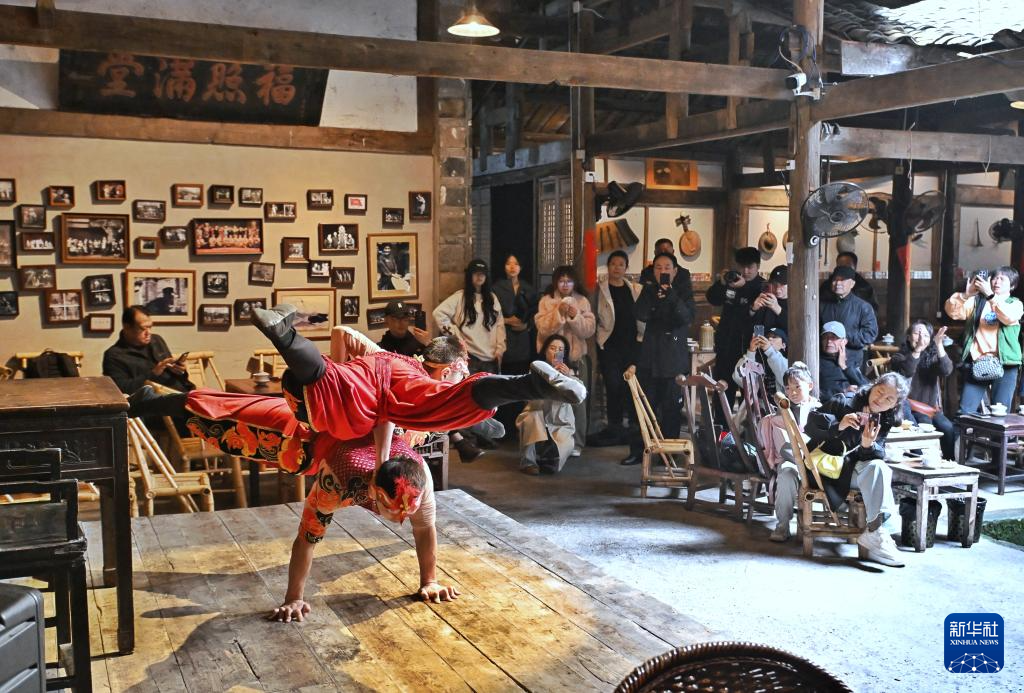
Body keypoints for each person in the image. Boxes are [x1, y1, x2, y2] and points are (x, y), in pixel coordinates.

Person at [802, 373, 910, 567]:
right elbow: (809, 426)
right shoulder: (844, 401)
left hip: (851, 472)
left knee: (879, 467)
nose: (881, 400)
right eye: (880, 391)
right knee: (879, 472)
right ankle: (878, 534)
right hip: (825, 472)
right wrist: (839, 425)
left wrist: (868, 446)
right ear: (872, 387)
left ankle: (875, 532)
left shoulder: (884, 419)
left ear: (894, 405)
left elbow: (877, 454)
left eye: (889, 399)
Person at [623, 252, 696, 466]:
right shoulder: (649, 290)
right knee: (644, 407)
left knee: (671, 409)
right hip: (650, 357)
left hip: (673, 359)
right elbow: (640, 314)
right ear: (653, 271)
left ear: (675, 271)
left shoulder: (683, 291)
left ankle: (669, 453)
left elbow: (686, 317)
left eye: (667, 268)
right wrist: (656, 298)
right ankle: (638, 451)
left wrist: (671, 295)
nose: (662, 271)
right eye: (658, 268)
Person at [433, 259, 507, 454]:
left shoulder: (492, 298)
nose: (479, 277)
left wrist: (500, 348)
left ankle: (485, 437)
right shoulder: (460, 298)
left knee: (489, 401)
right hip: (470, 356)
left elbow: (499, 325)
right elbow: (439, 313)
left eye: (483, 273)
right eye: (476, 273)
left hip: (490, 357)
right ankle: (467, 440)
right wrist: (456, 336)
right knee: (468, 400)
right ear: (470, 275)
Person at [536, 265, 596, 456]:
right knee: (549, 400)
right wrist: (558, 313)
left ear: (574, 282)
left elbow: (588, 330)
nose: (565, 284)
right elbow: (543, 329)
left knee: (578, 400)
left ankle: (577, 443)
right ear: (555, 282)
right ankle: (549, 442)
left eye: (569, 281)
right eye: (561, 281)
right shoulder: (546, 301)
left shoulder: (582, 301)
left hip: (576, 360)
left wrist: (574, 315)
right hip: (550, 361)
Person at [945, 267, 1023, 413]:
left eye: (1002, 279)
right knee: (965, 411)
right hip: (978, 362)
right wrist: (965, 295)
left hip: (1006, 364)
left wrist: (990, 296)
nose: (996, 281)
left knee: (1000, 412)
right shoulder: (977, 302)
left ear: (1012, 286)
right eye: (995, 278)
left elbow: (1008, 317)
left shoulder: (1015, 304)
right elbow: (953, 312)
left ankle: (998, 430)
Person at [761, 364, 821, 542]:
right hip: (791, 459)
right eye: (787, 388)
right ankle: (783, 524)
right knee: (786, 473)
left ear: (810, 386)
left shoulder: (819, 409)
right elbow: (781, 443)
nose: (792, 392)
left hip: (816, 460)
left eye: (797, 387)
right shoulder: (783, 410)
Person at [592, 250, 644, 445]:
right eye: (613, 264)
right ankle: (614, 426)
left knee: (629, 386)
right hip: (610, 345)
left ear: (626, 268)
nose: (617, 268)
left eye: (621, 264)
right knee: (613, 385)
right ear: (608, 266)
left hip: (631, 345)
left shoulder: (635, 289)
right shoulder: (600, 290)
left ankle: (632, 427)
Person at [889, 320, 955, 459]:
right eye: (916, 334)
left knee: (948, 428)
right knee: (925, 422)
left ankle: (949, 462)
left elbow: (946, 370)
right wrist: (918, 349)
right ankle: (920, 460)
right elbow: (907, 370)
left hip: (930, 409)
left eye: (925, 335)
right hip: (908, 408)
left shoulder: (932, 357)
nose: (921, 338)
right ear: (908, 337)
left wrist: (939, 344)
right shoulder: (899, 357)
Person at [706, 247, 764, 405]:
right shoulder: (731, 281)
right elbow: (712, 298)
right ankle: (722, 423)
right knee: (722, 393)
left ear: (758, 266)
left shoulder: (762, 286)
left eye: (750, 267)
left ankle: (749, 423)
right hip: (726, 347)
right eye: (742, 267)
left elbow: (756, 315)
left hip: (750, 350)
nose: (745, 271)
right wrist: (722, 282)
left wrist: (744, 287)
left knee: (750, 399)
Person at [516, 335, 581, 475]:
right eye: (552, 348)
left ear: (564, 354)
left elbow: (579, 395)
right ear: (545, 351)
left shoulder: (569, 373)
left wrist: (567, 377)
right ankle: (528, 463)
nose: (556, 352)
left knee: (564, 445)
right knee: (531, 418)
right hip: (537, 415)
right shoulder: (536, 369)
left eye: (560, 349)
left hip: (560, 421)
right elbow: (527, 395)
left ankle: (550, 459)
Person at [492, 254, 539, 432]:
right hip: (504, 338)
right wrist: (507, 320)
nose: (512, 267)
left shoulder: (528, 288)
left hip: (523, 340)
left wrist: (527, 324)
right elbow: (492, 313)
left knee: (521, 382)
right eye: (508, 263)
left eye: (516, 263)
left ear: (521, 267)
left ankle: (519, 428)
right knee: (504, 383)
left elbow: (536, 313)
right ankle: (505, 427)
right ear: (504, 266)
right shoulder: (496, 287)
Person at [103, 305, 193, 395]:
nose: (149, 333)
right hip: (157, 399)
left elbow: (177, 375)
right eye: (143, 328)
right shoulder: (114, 355)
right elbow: (121, 390)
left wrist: (180, 371)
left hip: (183, 392)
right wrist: (153, 374)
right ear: (127, 327)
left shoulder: (156, 340)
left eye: (150, 327)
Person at [820, 265, 878, 374]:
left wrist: (844, 337)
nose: (838, 283)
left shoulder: (863, 307)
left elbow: (870, 334)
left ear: (852, 284)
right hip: (825, 362)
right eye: (835, 280)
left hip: (852, 361)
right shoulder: (822, 305)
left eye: (842, 280)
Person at [819, 321, 869, 399]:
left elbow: (867, 387)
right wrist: (843, 390)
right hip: (832, 403)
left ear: (844, 341)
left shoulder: (848, 359)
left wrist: (844, 366)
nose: (829, 341)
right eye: (825, 337)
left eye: (834, 337)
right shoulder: (818, 361)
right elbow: (818, 392)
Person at [732, 327, 787, 397]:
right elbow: (740, 379)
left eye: (774, 337)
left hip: (782, 402)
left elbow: (786, 380)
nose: (769, 339)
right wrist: (751, 351)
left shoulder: (788, 361)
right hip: (758, 402)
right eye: (767, 337)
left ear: (783, 345)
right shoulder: (757, 358)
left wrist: (770, 351)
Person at [751, 265, 788, 333]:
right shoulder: (766, 298)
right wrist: (753, 309)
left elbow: (795, 328)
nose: (777, 289)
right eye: (774, 284)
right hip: (763, 338)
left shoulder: (796, 302)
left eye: (782, 285)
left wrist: (777, 308)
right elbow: (758, 325)